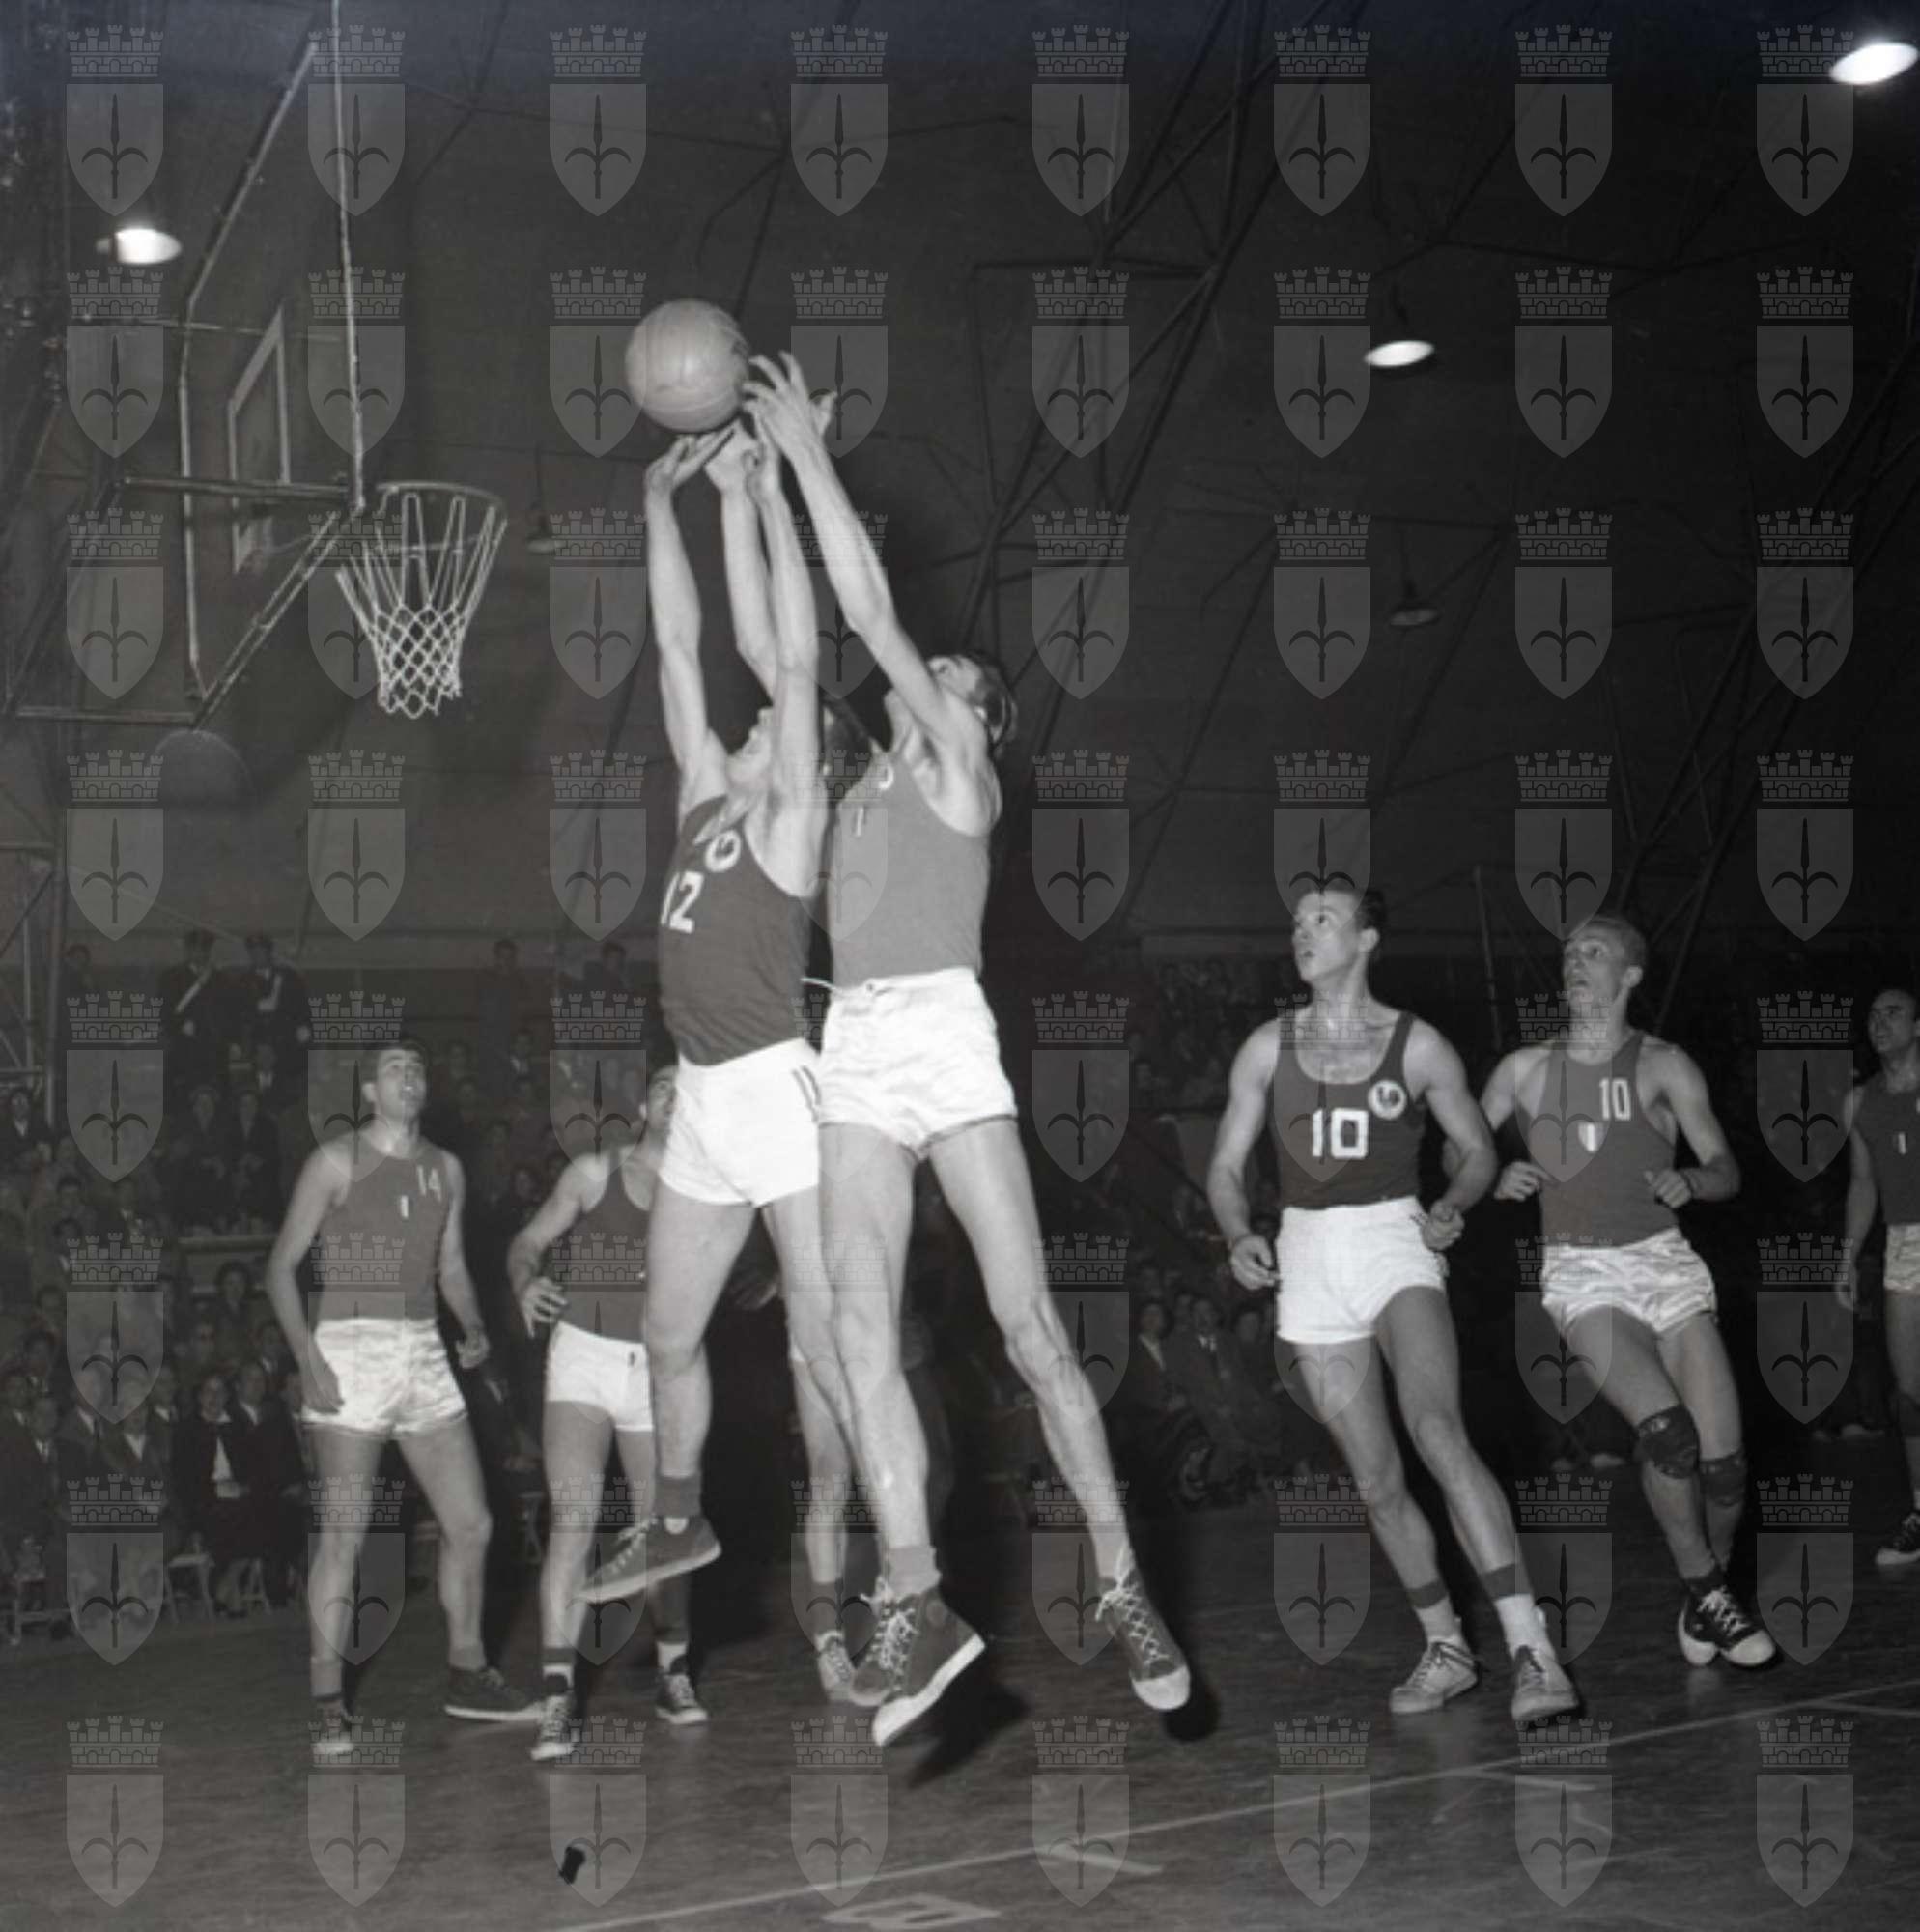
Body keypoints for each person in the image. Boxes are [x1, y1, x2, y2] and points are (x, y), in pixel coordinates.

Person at [748, 354, 1188, 1744]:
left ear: (977, 715)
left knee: (1029, 1326)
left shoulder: (959, 769)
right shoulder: (861, 783)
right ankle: (916, 1592)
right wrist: (760, 490)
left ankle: (1121, 1580)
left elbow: (869, 611)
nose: (927, 670)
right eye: (930, 671)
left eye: (953, 674)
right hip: (855, 1041)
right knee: (852, 1331)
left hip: (944, 1026)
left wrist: (811, 455)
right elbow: (792, 644)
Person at [576, 406, 861, 1706]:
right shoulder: (702, 799)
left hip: (777, 1088)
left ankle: (890, 1573)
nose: (747, 731)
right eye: (743, 735)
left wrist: (764, 493)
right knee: (665, 1330)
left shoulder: (795, 815)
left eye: (770, 733)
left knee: (824, 1344)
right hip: (697, 1096)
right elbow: (680, 648)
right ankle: (678, 1516)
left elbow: (788, 656)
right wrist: (660, 505)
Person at [1209, 887, 1577, 1722]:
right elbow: (1226, 1166)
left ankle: (1533, 1650)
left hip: (1392, 1241)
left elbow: (1477, 1150)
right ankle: (1446, 1646)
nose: (1302, 931)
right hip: (1308, 1255)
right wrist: (1236, 1231)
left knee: (1438, 1432)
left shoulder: (1418, 1046)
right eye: (1297, 921)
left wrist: (1456, 1201)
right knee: (1375, 1481)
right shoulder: (1266, 1047)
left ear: (1367, 938)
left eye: (1323, 919)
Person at [1482, 915, 1772, 1668]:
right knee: (1669, 1436)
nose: (1575, 962)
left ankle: (1707, 1590)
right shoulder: (1524, 1069)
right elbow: (1462, 1148)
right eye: (1569, 953)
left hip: (1666, 1264)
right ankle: (1708, 1588)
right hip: (1583, 1271)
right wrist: (1492, 1173)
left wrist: (1693, 1181)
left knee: (1726, 1469)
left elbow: (1727, 1168)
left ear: (1631, 975)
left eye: (1595, 952)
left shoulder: (1666, 1064)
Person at [263, 1037, 537, 1758]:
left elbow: (451, 1268)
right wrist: (306, 1357)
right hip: (350, 1348)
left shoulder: (447, 1168)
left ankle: (469, 1672)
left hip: (422, 1350)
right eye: (393, 1069)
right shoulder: (335, 1162)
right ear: (368, 1093)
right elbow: (280, 1268)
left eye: (417, 1067)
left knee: (472, 1523)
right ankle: (328, 1702)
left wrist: (474, 1328)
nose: (409, 1077)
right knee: (345, 1537)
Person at [510, 1066, 707, 1758]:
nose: (674, 1095)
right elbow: (526, 1243)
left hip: (658, 1371)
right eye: (661, 1085)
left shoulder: (705, 1189)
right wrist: (525, 1281)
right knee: (575, 1518)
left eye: (686, 1087)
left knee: (665, 1530)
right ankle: (557, 1697)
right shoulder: (596, 1173)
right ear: (643, 1106)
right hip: (584, 1360)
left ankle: (673, 1672)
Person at [1837, 985, 1920, 1565]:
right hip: (1903, 1243)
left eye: (1893, 1013)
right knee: (1909, 1394)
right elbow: (1864, 1183)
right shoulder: (1859, 1101)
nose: (1880, 1022)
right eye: (1873, 1014)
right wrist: (1846, 1257)